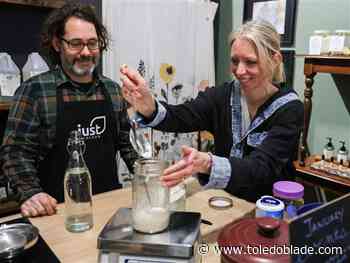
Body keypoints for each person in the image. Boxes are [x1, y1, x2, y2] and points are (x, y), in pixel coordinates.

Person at [120, 20, 303, 202]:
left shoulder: (289, 109)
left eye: (250, 62)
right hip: (225, 201)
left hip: (269, 208)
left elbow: (262, 168)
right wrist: (149, 105)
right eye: (234, 61)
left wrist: (208, 163)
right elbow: (182, 116)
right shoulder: (222, 96)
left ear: (275, 60)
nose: (239, 71)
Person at [0, 3, 137, 217]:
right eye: (75, 44)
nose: (85, 52)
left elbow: (126, 145)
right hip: (55, 212)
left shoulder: (112, 90)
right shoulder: (35, 91)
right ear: (57, 43)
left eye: (92, 43)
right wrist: (32, 194)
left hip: (109, 206)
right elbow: (15, 153)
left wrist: (149, 175)